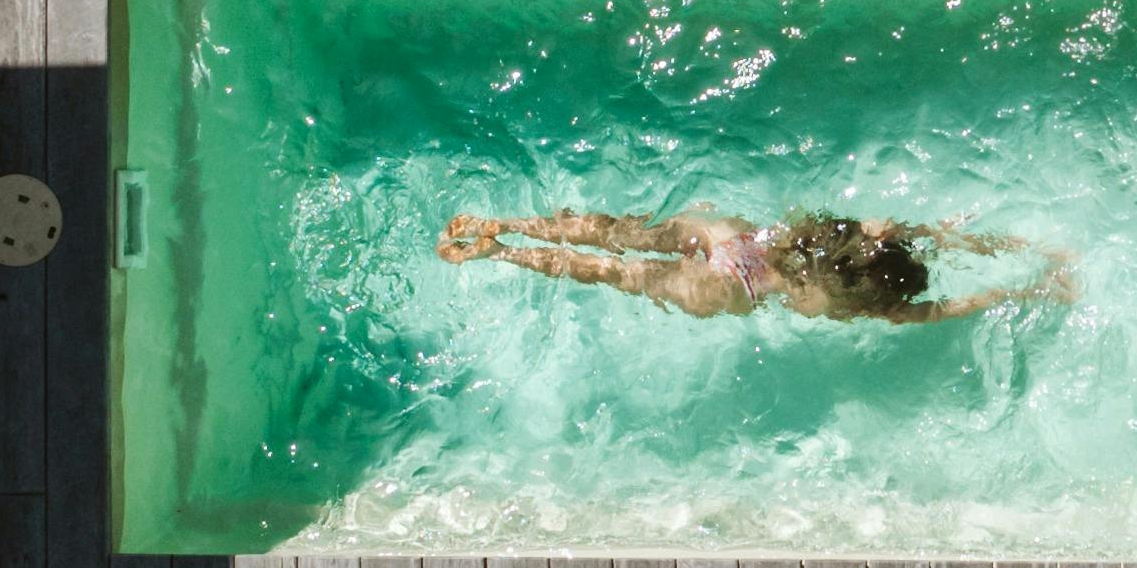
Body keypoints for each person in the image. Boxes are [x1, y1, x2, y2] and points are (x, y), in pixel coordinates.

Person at [437, 209, 1074, 324]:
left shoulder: (867, 234)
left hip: (737, 238)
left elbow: (930, 233)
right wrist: (1035, 292)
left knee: (621, 232)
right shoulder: (879, 306)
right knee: (608, 272)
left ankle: (508, 223)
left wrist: (1018, 247)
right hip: (728, 287)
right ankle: (504, 252)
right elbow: (945, 308)